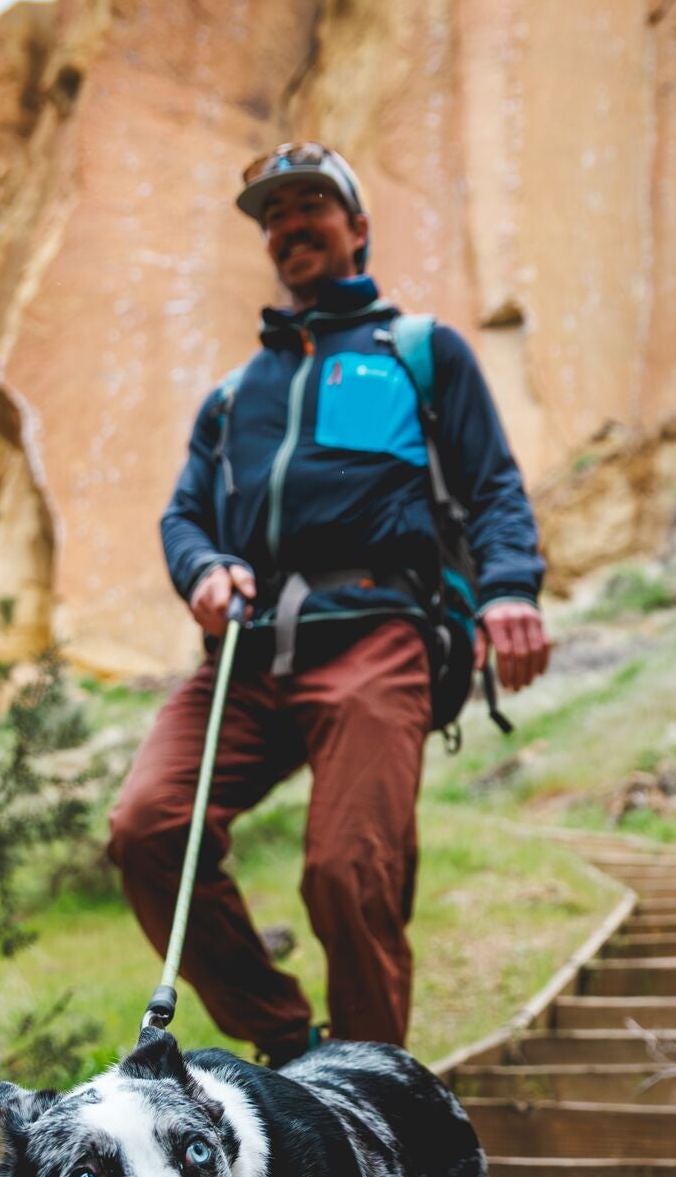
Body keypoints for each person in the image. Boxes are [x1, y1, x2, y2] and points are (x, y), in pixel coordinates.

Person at [107, 142, 550, 1065]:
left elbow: (495, 485)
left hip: (376, 636)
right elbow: (185, 513)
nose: (289, 224)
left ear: (358, 228)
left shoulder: (419, 353)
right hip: (248, 651)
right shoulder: (233, 398)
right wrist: (200, 569)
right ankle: (289, 1042)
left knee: (349, 871)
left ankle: (372, 1095)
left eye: (311, 202)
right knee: (146, 826)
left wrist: (509, 590)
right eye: (272, 214)